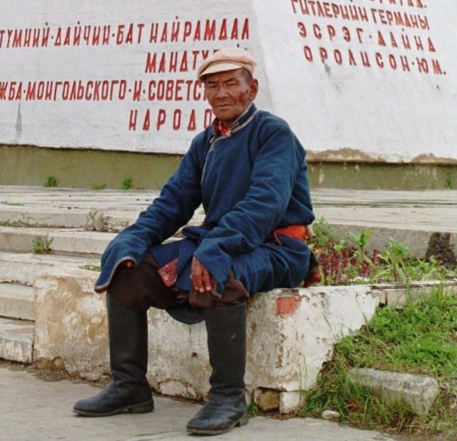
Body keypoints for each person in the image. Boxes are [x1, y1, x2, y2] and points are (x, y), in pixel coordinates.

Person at [73, 46, 315, 436]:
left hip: (276, 247)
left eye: (231, 84)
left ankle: (228, 398)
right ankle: (129, 386)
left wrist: (216, 246)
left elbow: (265, 203)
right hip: (220, 240)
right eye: (212, 85)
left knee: (220, 273)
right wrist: (133, 237)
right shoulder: (206, 142)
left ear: (251, 89)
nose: (221, 93)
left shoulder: (274, 134)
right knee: (128, 272)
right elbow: (172, 203)